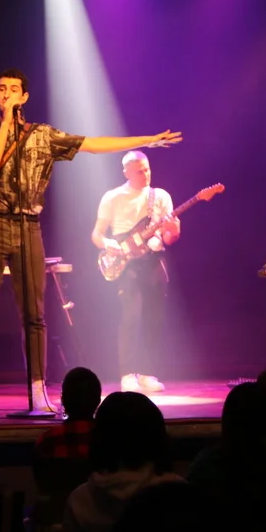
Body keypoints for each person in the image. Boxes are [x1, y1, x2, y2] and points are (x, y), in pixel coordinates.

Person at [0, 69, 182, 415]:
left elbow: (92, 144)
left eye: (14, 89)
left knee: (35, 314)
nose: (7, 94)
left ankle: (37, 390)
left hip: (28, 226)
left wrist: (145, 140)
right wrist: (6, 123)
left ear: (25, 97)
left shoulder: (42, 135)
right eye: (2, 89)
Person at [92, 151, 180, 394]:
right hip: (126, 262)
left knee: (154, 318)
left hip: (154, 260)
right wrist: (106, 243)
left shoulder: (160, 196)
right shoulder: (112, 197)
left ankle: (148, 373)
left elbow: (170, 237)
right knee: (131, 316)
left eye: (147, 169)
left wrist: (173, 231)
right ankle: (127, 374)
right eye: (139, 171)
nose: (145, 174)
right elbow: (96, 233)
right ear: (126, 172)